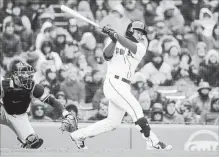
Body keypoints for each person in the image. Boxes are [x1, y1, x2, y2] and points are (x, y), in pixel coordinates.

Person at [69, 21, 172, 150]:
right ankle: (153, 142)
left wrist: (116, 36)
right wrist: (113, 39)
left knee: (112, 123)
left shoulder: (141, 47)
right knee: (136, 110)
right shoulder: (115, 40)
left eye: (141, 33)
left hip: (125, 85)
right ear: (130, 30)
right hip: (113, 82)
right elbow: (106, 56)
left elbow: (129, 45)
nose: (140, 35)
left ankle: (79, 135)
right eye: (138, 32)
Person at [0, 60, 69, 149]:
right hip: (3, 111)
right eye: (23, 73)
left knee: (33, 142)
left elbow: (51, 100)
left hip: (19, 116)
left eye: (27, 73)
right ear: (14, 75)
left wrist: (64, 112)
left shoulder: (34, 87)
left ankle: (22, 146)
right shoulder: (4, 85)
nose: (27, 76)